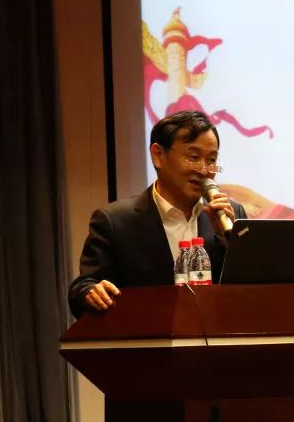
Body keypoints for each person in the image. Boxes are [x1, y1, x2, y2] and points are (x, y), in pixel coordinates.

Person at [68, 110, 246, 316]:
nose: (204, 170)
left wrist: (228, 241)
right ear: (158, 155)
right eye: (194, 157)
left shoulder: (230, 215)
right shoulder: (116, 221)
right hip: (147, 333)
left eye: (211, 160)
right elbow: (84, 287)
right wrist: (91, 292)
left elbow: (252, 287)